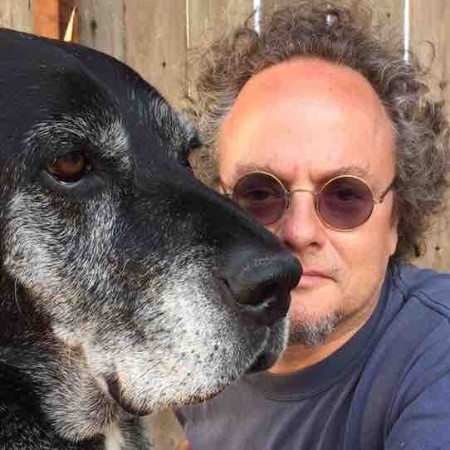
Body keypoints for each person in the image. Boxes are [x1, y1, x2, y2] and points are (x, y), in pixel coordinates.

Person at [175, 1, 450, 449]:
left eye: (345, 197)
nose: (299, 232)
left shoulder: (437, 355)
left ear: (396, 221)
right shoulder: (200, 341)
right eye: (259, 195)